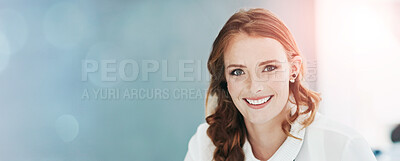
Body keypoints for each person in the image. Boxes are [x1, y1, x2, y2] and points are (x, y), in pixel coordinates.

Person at [184, 8, 377, 161]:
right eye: (238, 72)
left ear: (293, 69)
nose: (254, 86)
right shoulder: (206, 143)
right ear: (225, 80)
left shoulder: (342, 146)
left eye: (269, 68)